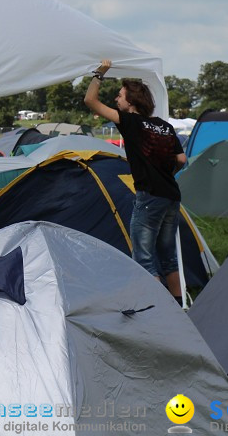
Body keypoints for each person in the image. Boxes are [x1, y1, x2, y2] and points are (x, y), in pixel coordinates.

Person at [83, 59, 187, 302]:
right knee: (168, 256)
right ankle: (179, 307)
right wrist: (165, 174)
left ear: (131, 102)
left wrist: (100, 73)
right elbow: (181, 159)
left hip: (149, 196)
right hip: (171, 196)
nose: (116, 100)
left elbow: (90, 101)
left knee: (144, 258)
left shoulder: (130, 121)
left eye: (120, 96)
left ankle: (156, 311)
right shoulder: (164, 126)